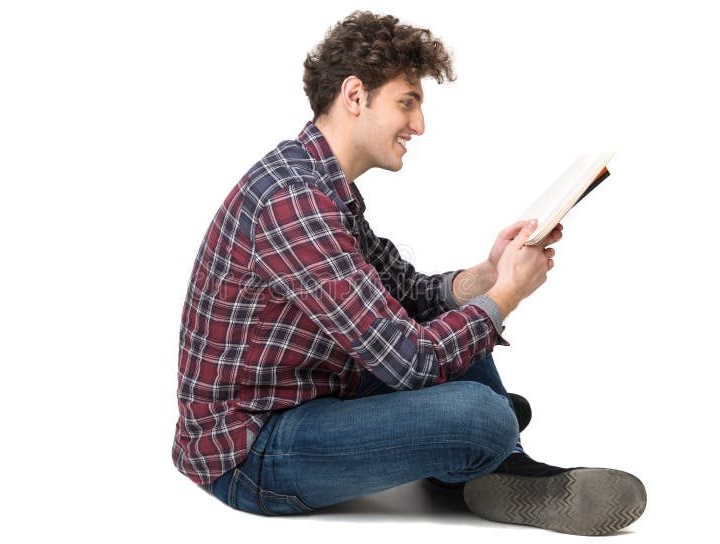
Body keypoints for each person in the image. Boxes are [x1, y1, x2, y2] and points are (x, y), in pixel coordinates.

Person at [172, 11, 646, 536]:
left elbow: (411, 294)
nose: (419, 125)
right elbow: (411, 363)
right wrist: (507, 295)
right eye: (407, 102)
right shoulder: (294, 202)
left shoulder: (321, 186)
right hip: (251, 452)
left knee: (462, 332)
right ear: (355, 96)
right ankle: (479, 444)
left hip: (315, 393)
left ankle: (494, 465)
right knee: (481, 414)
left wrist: (489, 273)